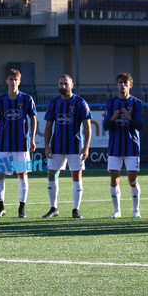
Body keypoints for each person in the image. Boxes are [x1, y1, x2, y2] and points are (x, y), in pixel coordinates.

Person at [43, 74, 92, 219]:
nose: (63, 86)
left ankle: (76, 209)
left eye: (66, 84)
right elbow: (48, 126)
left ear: (72, 85)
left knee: (76, 176)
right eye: (61, 84)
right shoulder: (53, 103)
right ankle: (53, 208)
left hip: (75, 146)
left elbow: (88, 127)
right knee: (51, 174)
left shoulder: (80, 102)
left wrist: (86, 147)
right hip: (57, 146)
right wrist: (46, 146)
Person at [0, 68, 37, 218]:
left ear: (20, 81)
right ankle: (1, 207)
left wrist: (32, 139)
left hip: (21, 144)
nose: (13, 82)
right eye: (11, 79)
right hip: (4, 144)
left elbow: (33, 118)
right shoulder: (0, 100)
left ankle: (21, 208)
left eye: (16, 79)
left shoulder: (27, 99)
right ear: (6, 81)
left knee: (22, 175)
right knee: (0, 174)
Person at [103, 73, 143, 218]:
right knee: (114, 178)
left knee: (132, 179)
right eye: (120, 82)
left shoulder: (137, 103)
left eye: (125, 83)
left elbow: (140, 126)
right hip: (115, 147)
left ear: (130, 85)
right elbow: (106, 126)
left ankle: (135, 210)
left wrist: (129, 118)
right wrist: (113, 118)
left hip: (132, 147)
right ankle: (116, 210)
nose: (122, 85)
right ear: (116, 85)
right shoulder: (111, 103)